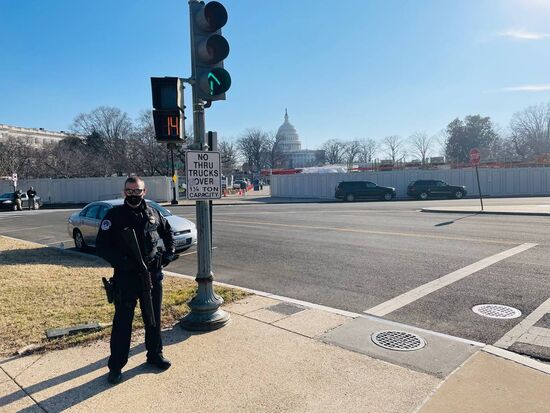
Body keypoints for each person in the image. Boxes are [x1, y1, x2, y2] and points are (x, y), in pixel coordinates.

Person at [96, 176, 177, 385]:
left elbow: (168, 234)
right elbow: (102, 246)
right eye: (129, 191)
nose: (133, 195)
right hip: (126, 278)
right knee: (123, 323)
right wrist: (123, 262)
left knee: (153, 318)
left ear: (144, 191)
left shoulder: (153, 213)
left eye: (137, 191)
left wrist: (167, 255)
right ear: (124, 192)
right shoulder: (114, 215)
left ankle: (154, 355)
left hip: (152, 275)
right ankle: (116, 366)